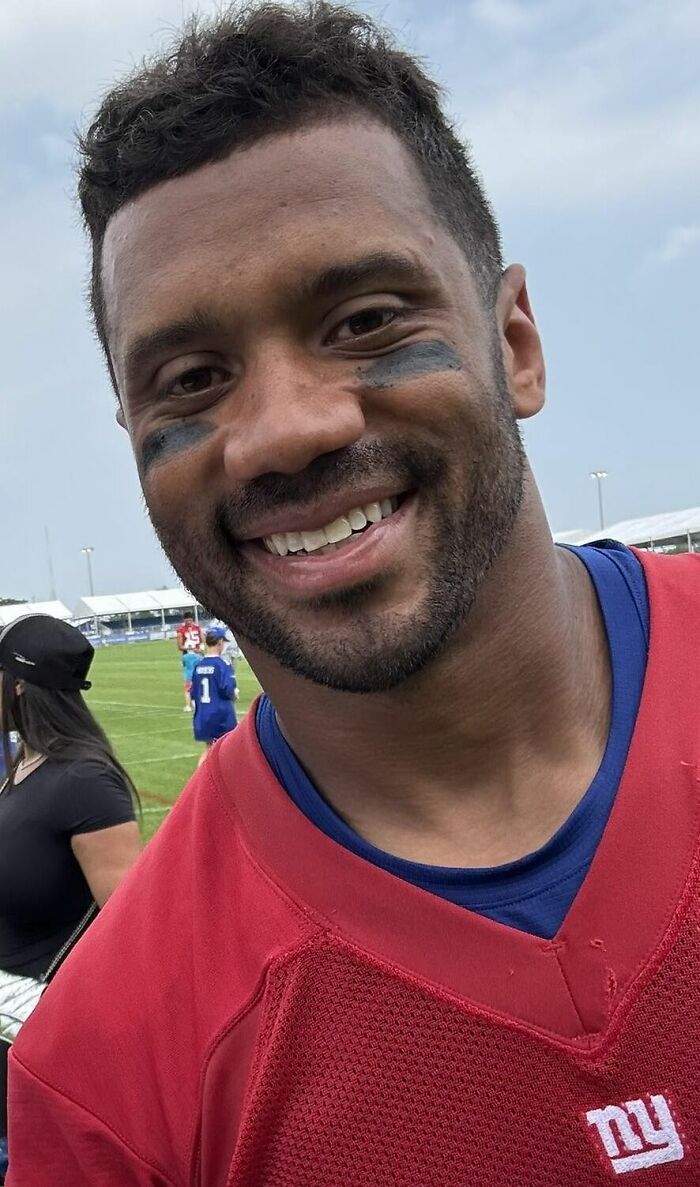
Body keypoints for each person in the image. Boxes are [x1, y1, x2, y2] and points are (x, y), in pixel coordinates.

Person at [7, 5, 700, 1185]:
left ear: (515, 340)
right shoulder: (104, 1072)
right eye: (192, 378)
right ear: (134, 438)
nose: (282, 431)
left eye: (367, 319)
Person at [0, 614, 142, 1183]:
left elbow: (128, 924)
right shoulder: (23, 764)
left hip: (32, 1024)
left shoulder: (84, 779)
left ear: (16, 683)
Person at [190, 629, 238, 764]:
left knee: (209, 750)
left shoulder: (198, 665)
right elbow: (228, 689)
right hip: (221, 715)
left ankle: (202, 779)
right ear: (220, 642)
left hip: (203, 715)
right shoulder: (222, 665)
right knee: (229, 749)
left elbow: (193, 692)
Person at [175, 613, 203, 711]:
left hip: (196, 654)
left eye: (190, 620)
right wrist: (192, 648)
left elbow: (202, 639)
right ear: (184, 620)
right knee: (192, 677)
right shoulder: (181, 630)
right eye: (187, 620)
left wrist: (200, 648)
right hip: (190, 654)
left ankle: (194, 700)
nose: (189, 622)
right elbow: (179, 645)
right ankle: (194, 700)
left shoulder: (197, 628)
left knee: (194, 677)